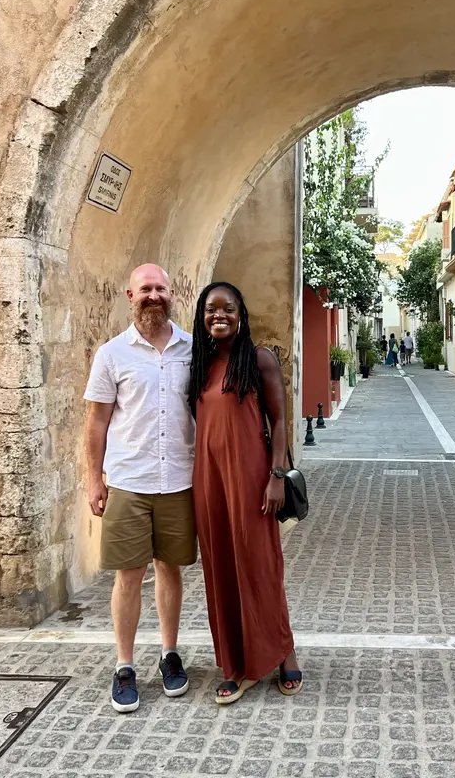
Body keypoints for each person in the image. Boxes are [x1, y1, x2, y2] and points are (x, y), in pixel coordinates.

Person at [84, 263, 197, 713]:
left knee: (171, 569)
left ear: (173, 294)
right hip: (129, 480)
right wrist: (95, 478)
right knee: (128, 575)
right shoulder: (112, 354)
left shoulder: (192, 348)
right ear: (129, 295)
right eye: (145, 288)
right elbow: (96, 421)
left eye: (161, 288)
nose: (153, 295)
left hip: (180, 480)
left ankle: (170, 654)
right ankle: (125, 665)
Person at [188, 282, 302, 705]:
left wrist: (276, 475)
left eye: (228, 309)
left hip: (254, 480)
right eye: (211, 310)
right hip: (210, 482)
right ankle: (235, 664)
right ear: (202, 318)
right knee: (221, 572)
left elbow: (280, 420)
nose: (219, 316)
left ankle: (283, 651)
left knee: (260, 566)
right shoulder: (198, 364)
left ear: (242, 315)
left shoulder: (259, 359)